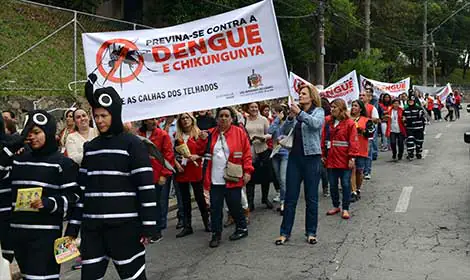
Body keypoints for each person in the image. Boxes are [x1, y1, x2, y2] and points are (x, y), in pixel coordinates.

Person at [65, 75, 157, 279]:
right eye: (96, 116)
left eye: (104, 115)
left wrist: (149, 225)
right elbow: (82, 190)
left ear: (114, 114)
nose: (99, 120)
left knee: (133, 277)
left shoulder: (133, 144)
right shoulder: (90, 147)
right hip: (93, 230)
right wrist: (72, 228)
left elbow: (145, 187)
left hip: (125, 229)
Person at [7, 110, 80, 280]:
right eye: (29, 133)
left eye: (37, 132)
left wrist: (48, 203)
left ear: (48, 132)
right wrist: (16, 144)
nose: (32, 137)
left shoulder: (62, 163)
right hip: (18, 235)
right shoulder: (19, 160)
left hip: (46, 236)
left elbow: (74, 198)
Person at [275, 84, 324, 246]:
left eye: (303, 93)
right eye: (300, 93)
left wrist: (300, 113)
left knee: (311, 198)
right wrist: (290, 117)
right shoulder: (295, 112)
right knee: (290, 197)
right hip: (294, 158)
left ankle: (311, 232)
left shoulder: (319, 111)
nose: (300, 96)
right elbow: (284, 129)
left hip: (312, 158)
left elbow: (316, 125)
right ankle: (284, 232)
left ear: (311, 96)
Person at [199, 107, 253, 248]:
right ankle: (216, 234)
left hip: (232, 177)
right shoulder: (210, 133)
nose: (223, 118)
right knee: (215, 209)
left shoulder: (239, 133)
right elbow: (200, 151)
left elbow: (247, 153)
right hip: (214, 179)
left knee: (235, 206)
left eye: (226, 116)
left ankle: (242, 228)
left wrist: (248, 171)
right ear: (216, 119)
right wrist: (201, 139)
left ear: (232, 118)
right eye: (221, 116)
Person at [138, 118, 174, 242]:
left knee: (157, 203)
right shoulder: (139, 134)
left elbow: (168, 155)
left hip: (157, 174)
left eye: (154, 119)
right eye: (150, 119)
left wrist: (164, 174)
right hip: (144, 174)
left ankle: (157, 231)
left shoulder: (163, 135)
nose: (153, 122)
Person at [174, 113, 210, 237]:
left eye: (187, 118)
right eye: (182, 118)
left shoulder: (199, 135)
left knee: (200, 198)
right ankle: (187, 226)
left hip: (195, 169)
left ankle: (207, 222)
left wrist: (198, 156)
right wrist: (176, 164)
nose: (185, 120)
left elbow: (206, 151)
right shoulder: (176, 136)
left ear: (192, 120)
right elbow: (173, 153)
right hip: (182, 170)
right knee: (185, 200)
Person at [323, 99, 358, 220]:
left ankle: (346, 208)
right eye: (331, 107)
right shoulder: (328, 122)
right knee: (332, 184)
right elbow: (323, 139)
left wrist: (352, 157)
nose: (332, 109)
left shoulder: (350, 124)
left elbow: (353, 141)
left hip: (344, 159)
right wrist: (323, 154)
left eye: (334, 107)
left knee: (345, 184)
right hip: (331, 158)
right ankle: (336, 205)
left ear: (341, 109)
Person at [243, 102, 273, 210]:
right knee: (250, 176)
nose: (254, 109)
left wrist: (262, 137)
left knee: (265, 176)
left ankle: (265, 198)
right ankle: (250, 202)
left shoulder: (263, 120)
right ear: (248, 108)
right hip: (249, 151)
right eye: (252, 107)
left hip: (262, 149)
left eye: (256, 107)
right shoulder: (244, 120)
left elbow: (270, 134)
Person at [350, 100, 374, 202]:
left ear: (360, 109)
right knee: (351, 170)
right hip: (350, 149)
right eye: (352, 106)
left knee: (359, 171)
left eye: (355, 106)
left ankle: (358, 189)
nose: (353, 107)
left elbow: (370, 134)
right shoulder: (347, 119)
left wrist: (361, 130)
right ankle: (353, 192)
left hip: (361, 148)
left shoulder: (366, 120)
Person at [268, 103, 289, 214]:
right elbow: (269, 131)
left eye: (275, 113)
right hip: (275, 154)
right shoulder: (274, 123)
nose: (273, 115)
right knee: (278, 178)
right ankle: (283, 198)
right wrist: (276, 120)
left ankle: (284, 203)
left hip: (285, 153)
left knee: (283, 178)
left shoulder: (287, 123)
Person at [360, 88, 379, 180]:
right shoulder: (354, 107)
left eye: (363, 95)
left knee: (367, 154)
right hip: (357, 136)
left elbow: (376, 120)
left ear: (368, 98)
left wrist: (366, 121)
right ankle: (360, 171)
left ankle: (367, 172)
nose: (361, 97)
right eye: (360, 95)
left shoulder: (372, 108)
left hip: (368, 135)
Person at [403, 95, 426, 160]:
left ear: (414, 101)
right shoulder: (405, 110)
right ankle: (410, 154)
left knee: (419, 142)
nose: (410, 102)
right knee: (410, 141)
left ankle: (418, 153)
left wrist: (423, 129)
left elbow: (422, 119)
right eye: (409, 101)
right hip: (409, 129)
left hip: (419, 128)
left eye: (411, 101)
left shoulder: (419, 109)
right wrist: (405, 122)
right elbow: (404, 119)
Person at [320, 97, 331, 197]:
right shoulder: (329, 119)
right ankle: (328, 187)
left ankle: (326, 187)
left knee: (324, 167)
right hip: (327, 144)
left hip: (323, 144)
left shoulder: (327, 119)